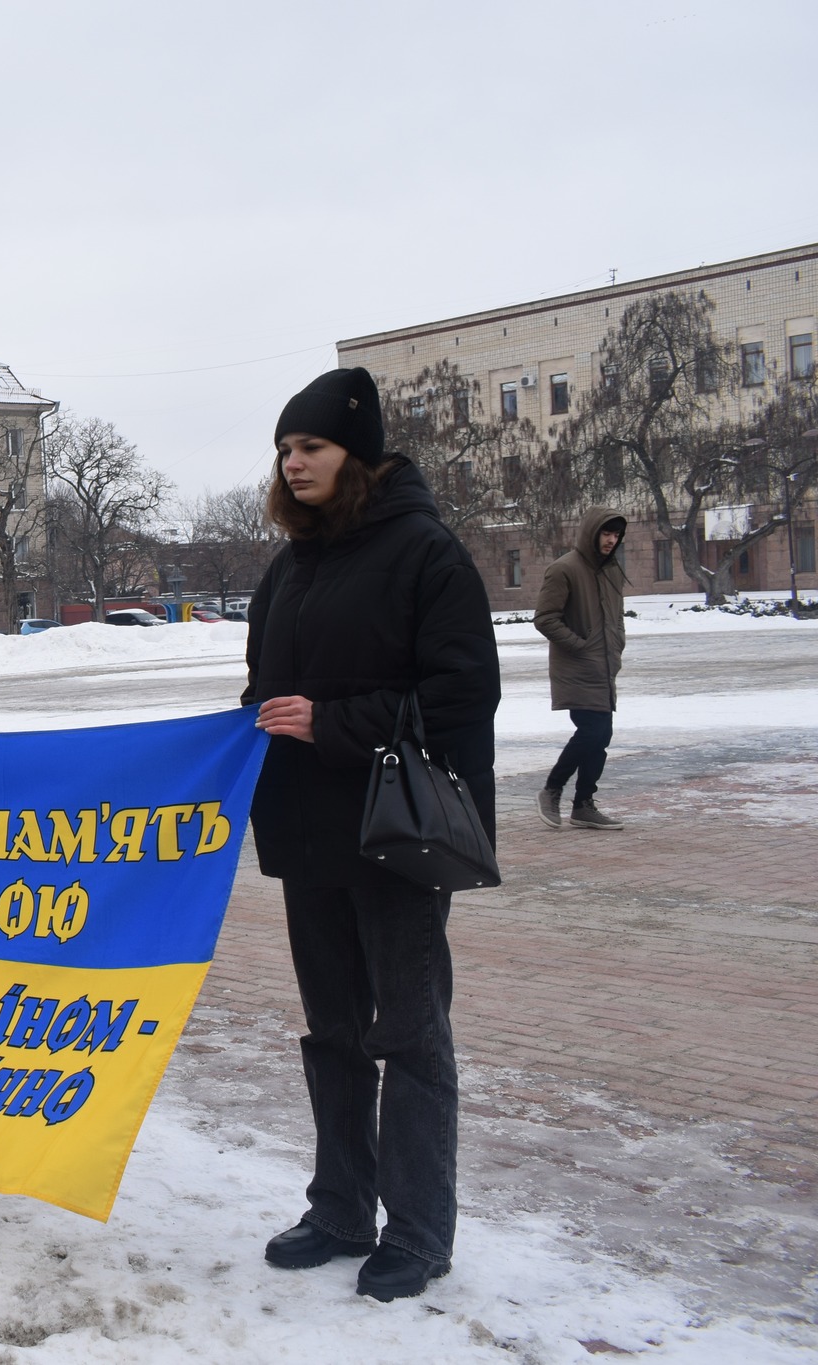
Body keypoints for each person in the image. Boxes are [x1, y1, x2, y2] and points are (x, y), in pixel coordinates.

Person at [243, 367, 499, 1303]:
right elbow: (263, 695)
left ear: (359, 453)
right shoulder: (289, 566)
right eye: (284, 449)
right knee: (335, 1031)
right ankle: (341, 1206)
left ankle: (420, 1228)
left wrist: (335, 723)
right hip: (309, 838)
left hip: (397, 837)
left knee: (410, 1033)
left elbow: (466, 693)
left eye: (309, 446)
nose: (292, 462)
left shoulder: (426, 553)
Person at [535, 508, 627, 831]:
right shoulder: (564, 569)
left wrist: (616, 648)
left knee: (602, 735)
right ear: (592, 532)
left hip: (603, 668)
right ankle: (552, 788)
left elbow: (617, 617)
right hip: (576, 668)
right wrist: (579, 645)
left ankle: (583, 804)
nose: (611, 540)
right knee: (592, 731)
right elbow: (545, 618)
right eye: (606, 533)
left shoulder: (613, 571)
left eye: (616, 535)